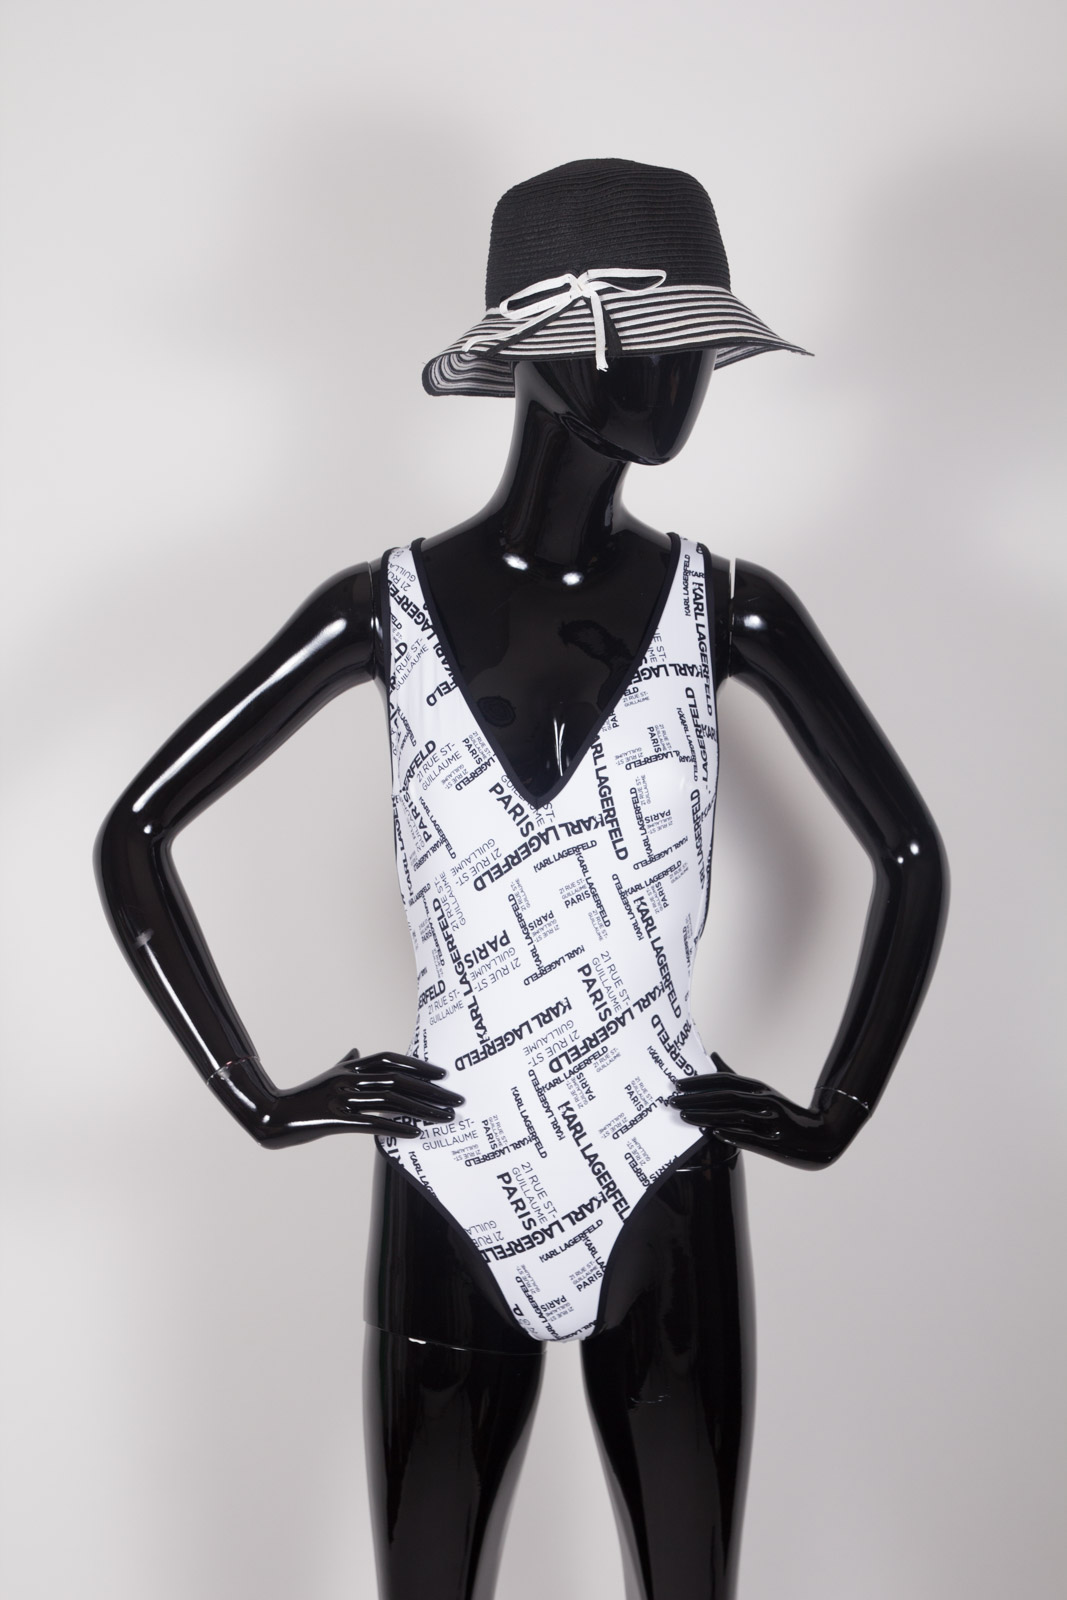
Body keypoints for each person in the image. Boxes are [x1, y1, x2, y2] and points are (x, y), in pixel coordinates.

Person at [96, 159, 948, 1600]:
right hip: (454, 1167)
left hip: (663, 1168)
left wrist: (837, 1109)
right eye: (651, 342)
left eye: (697, 347)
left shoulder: (730, 607)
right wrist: (259, 1095)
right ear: (550, 355)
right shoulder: (378, 609)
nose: (683, 381)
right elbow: (136, 832)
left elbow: (911, 855)